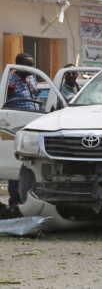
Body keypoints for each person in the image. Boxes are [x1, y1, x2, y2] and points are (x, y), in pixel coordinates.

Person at [5, 52, 40, 211]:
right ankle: (15, 200)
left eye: (32, 64)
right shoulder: (10, 82)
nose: (31, 68)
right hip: (17, 126)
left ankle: (31, 198)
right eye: (28, 65)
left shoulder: (32, 78)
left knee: (32, 163)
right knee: (17, 163)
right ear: (19, 65)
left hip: (34, 125)